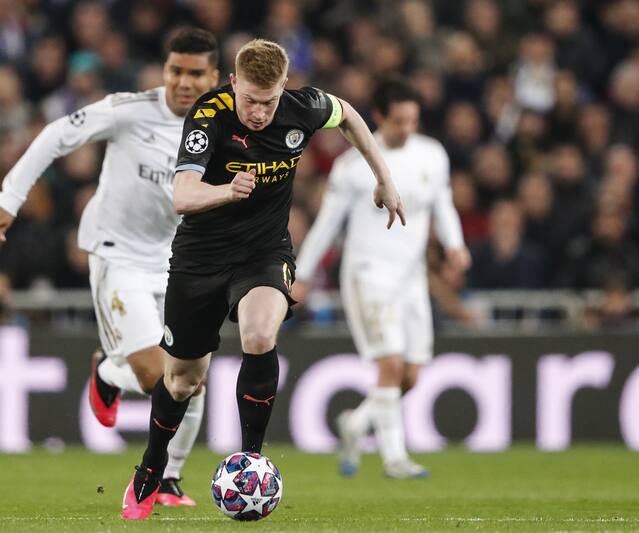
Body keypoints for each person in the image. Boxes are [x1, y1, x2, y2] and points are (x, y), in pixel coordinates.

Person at [121, 38, 405, 520]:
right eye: (249, 99)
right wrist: (226, 191)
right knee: (183, 380)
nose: (257, 112)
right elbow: (183, 197)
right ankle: (152, 464)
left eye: (268, 101)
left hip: (263, 252)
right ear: (232, 83)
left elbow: (351, 115)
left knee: (258, 332)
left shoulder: (303, 107)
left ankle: (252, 457)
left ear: (284, 88)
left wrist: (385, 177)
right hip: (200, 257)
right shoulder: (208, 117)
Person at [0, 28, 220, 507]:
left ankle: (169, 479)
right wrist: (11, 195)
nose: (184, 81)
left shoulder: (223, 125)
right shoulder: (129, 110)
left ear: (214, 77)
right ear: (165, 69)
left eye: (196, 73)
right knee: (159, 377)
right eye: (176, 70)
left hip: (179, 261)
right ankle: (109, 374)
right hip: (119, 255)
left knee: (192, 376)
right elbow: (56, 134)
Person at [294, 78, 471, 479]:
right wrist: (302, 274)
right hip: (368, 276)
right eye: (399, 121)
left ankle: (356, 424)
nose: (407, 129)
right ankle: (395, 459)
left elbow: (443, 203)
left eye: (413, 121)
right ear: (378, 118)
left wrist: (456, 245)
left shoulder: (432, 154)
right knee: (390, 366)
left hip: (412, 279)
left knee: (409, 376)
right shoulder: (352, 166)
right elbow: (326, 224)